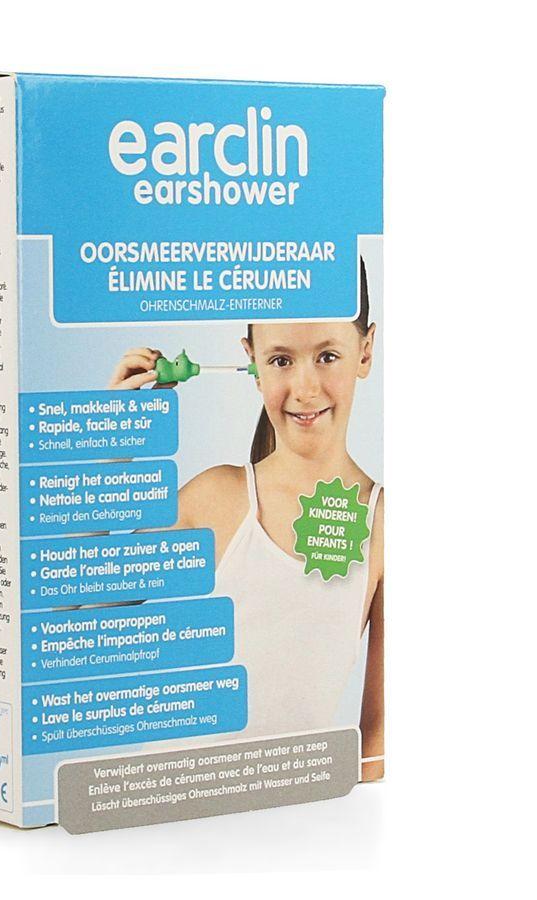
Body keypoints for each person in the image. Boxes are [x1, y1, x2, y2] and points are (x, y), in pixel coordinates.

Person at [107, 261, 384, 781]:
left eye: (327, 356)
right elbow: (82, 609)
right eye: (280, 360)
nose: (305, 388)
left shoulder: (383, 523)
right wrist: (115, 438)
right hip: (169, 798)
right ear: (251, 361)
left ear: (365, 351)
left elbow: (379, 739)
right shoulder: (218, 499)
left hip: (288, 812)